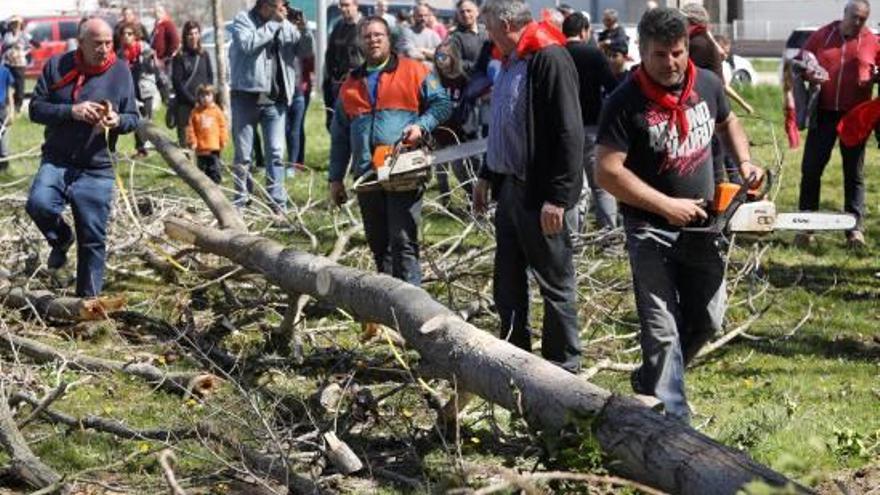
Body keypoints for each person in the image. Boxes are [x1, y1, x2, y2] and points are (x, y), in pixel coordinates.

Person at [595, 7, 763, 422]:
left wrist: (745, 163)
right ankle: (675, 424)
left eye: (677, 52)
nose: (670, 63)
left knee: (707, 319)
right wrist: (665, 206)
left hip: (705, 226)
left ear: (688, 46)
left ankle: (652, 381)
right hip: (649, 229)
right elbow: (607, 171)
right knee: (662, 328)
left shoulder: (705, 83)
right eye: (659, 55)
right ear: (641, 51)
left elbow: (729, 122)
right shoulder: (624, 101)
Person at [473, 0, 584, 373]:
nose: (485, 33)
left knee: (554, 283)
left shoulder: (548, 59)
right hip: (509, 190)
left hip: (540, 194)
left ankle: (562, 372)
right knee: (507, 280)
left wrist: (558, 197)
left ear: (506, 23)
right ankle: (513, 359)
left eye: (488, 25)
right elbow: (502, 125)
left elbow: (570, 133)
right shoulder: (509, 61)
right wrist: (487, 174)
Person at [328, 16, 451, 286]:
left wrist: (422, 125)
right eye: (367, 36)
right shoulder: (350, 83)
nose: (372, 40)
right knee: (379, 245)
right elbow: (339, 136)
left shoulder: (415, 70)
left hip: (402, 170)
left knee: (403, 241)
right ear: (360, 42)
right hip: (367, 174)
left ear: (389, 39)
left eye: (378, 35)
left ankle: (412, 309)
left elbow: (442, 103)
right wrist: (335, 178)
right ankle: (385, 307)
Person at [25, 17, 139, 297]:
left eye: (108, 43)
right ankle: (61, 238)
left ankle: (87, 304)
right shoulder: (57, 66)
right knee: (38, 204)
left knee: (92, 239)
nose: (104, 49)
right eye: (98, 44)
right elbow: (35, 109)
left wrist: (116, 120)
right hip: (58, 158)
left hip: (97, 166)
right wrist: (71, 111)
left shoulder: (121, 71)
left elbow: (133, 118)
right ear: (81, 42)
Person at [794, 0, 876, 248]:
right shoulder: (823, 34)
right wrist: (807, 71)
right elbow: (799, 61)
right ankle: (806, 226)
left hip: (854, 116)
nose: (858, 22)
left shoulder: (872, 40)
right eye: (855, 17)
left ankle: (854, 230)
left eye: (863, 18)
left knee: (854, 174)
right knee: (811, 170)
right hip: (824, 113)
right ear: (845, 14)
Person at [229, 0, 313, 212]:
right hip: (246, 96)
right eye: (280, 4)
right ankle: (241, 202)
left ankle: (277, 204)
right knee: (244, 155)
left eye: (285, 4)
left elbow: (305, 51)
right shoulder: (243, 20)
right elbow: (248, 45)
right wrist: (275, 23)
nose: (284, 8)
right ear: (264, 5)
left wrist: (303, 30)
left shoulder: (285, 24)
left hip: (276, 100)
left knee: (275, 153)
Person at [563, 12, 619, 232]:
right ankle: (609, 234)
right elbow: (613, 88)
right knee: (601, 184)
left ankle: (572, 237)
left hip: (564, 128)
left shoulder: (555, 54)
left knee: (570, 185)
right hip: (591, 125)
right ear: (584, 31)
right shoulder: (594, 54)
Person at [116, 21, 159, 158]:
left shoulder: (144, 49)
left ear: (135, 35)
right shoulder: (120, 54)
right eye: (124, 34)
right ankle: (141, 148)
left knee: (147, 118)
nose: (126, 36)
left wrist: (147, 60)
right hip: (130, 89)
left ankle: (151, 144)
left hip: (145, 88)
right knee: (136, 118)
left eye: (130, 34)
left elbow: (152, 70)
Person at [172, 21, 214, 147]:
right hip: (185, 106)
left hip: (203, 105)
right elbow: (177, 83)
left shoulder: (204, 54)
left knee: (204, 143)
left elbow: (210, 77)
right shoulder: (179, 56)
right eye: (190, 34)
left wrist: (206, 98)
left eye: (196, 33)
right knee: (186, 143)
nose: (193, 37)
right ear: (185, 36)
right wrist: (192, 101)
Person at [323, 0, 363, 131]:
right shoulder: (338, 26)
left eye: (346, 5)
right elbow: (330, 54)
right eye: (341, 5)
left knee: (358, 126)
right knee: (338, 127)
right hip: (339, 85)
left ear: (356, 5)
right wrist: (330, 77)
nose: (342, 8)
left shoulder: (366, 27)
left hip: (361, 86)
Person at [285, 7, 315, 176]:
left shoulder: (303, 36)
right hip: (286, 88)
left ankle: (296, 162)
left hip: (301, 88)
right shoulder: (283, 35)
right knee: (288, 128)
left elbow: (309, 53)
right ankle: (294, 160)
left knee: (296, 127)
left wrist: (304, 28)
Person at [187, 84, 228, 184]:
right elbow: (191, 128)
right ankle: (205, 187)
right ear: (199, 97)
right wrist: (192, 141)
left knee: (214, 169)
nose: (205, 98)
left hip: (213, 147)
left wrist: (223, 140)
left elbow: (222, 126)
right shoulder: (195, 112)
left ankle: (216, 186)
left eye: (208, 95)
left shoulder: (217, 111)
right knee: (202, 171)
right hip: (201, 148)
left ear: (213, 96)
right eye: (202, 96)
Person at [2, 16, 33, 113]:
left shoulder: (25, 35)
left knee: (20, 86)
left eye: (17, 24)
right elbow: (6, 44)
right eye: (13, 24)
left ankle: (17, 107)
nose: (15, 26)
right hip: (8, 63)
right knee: (8, 85)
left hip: (19, 64)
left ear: (20, 25)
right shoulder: (8, 35)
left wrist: (24, 53)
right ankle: (7, 105)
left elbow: (32, 46)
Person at [151, 3, 181, 70]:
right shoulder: (157, 25)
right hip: (157, 60)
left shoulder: (168, 24)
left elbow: (175, 40)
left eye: (159, 11)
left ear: (164, 13)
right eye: (156, 12)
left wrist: (167, 56)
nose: (157, 14)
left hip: (165, 60)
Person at [0, 57, 14, 171]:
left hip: (1, 109)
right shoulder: (5, 70)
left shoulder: (4, 71)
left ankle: (4, 161)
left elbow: (10, 91)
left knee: (3, 133)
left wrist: (12, 111)